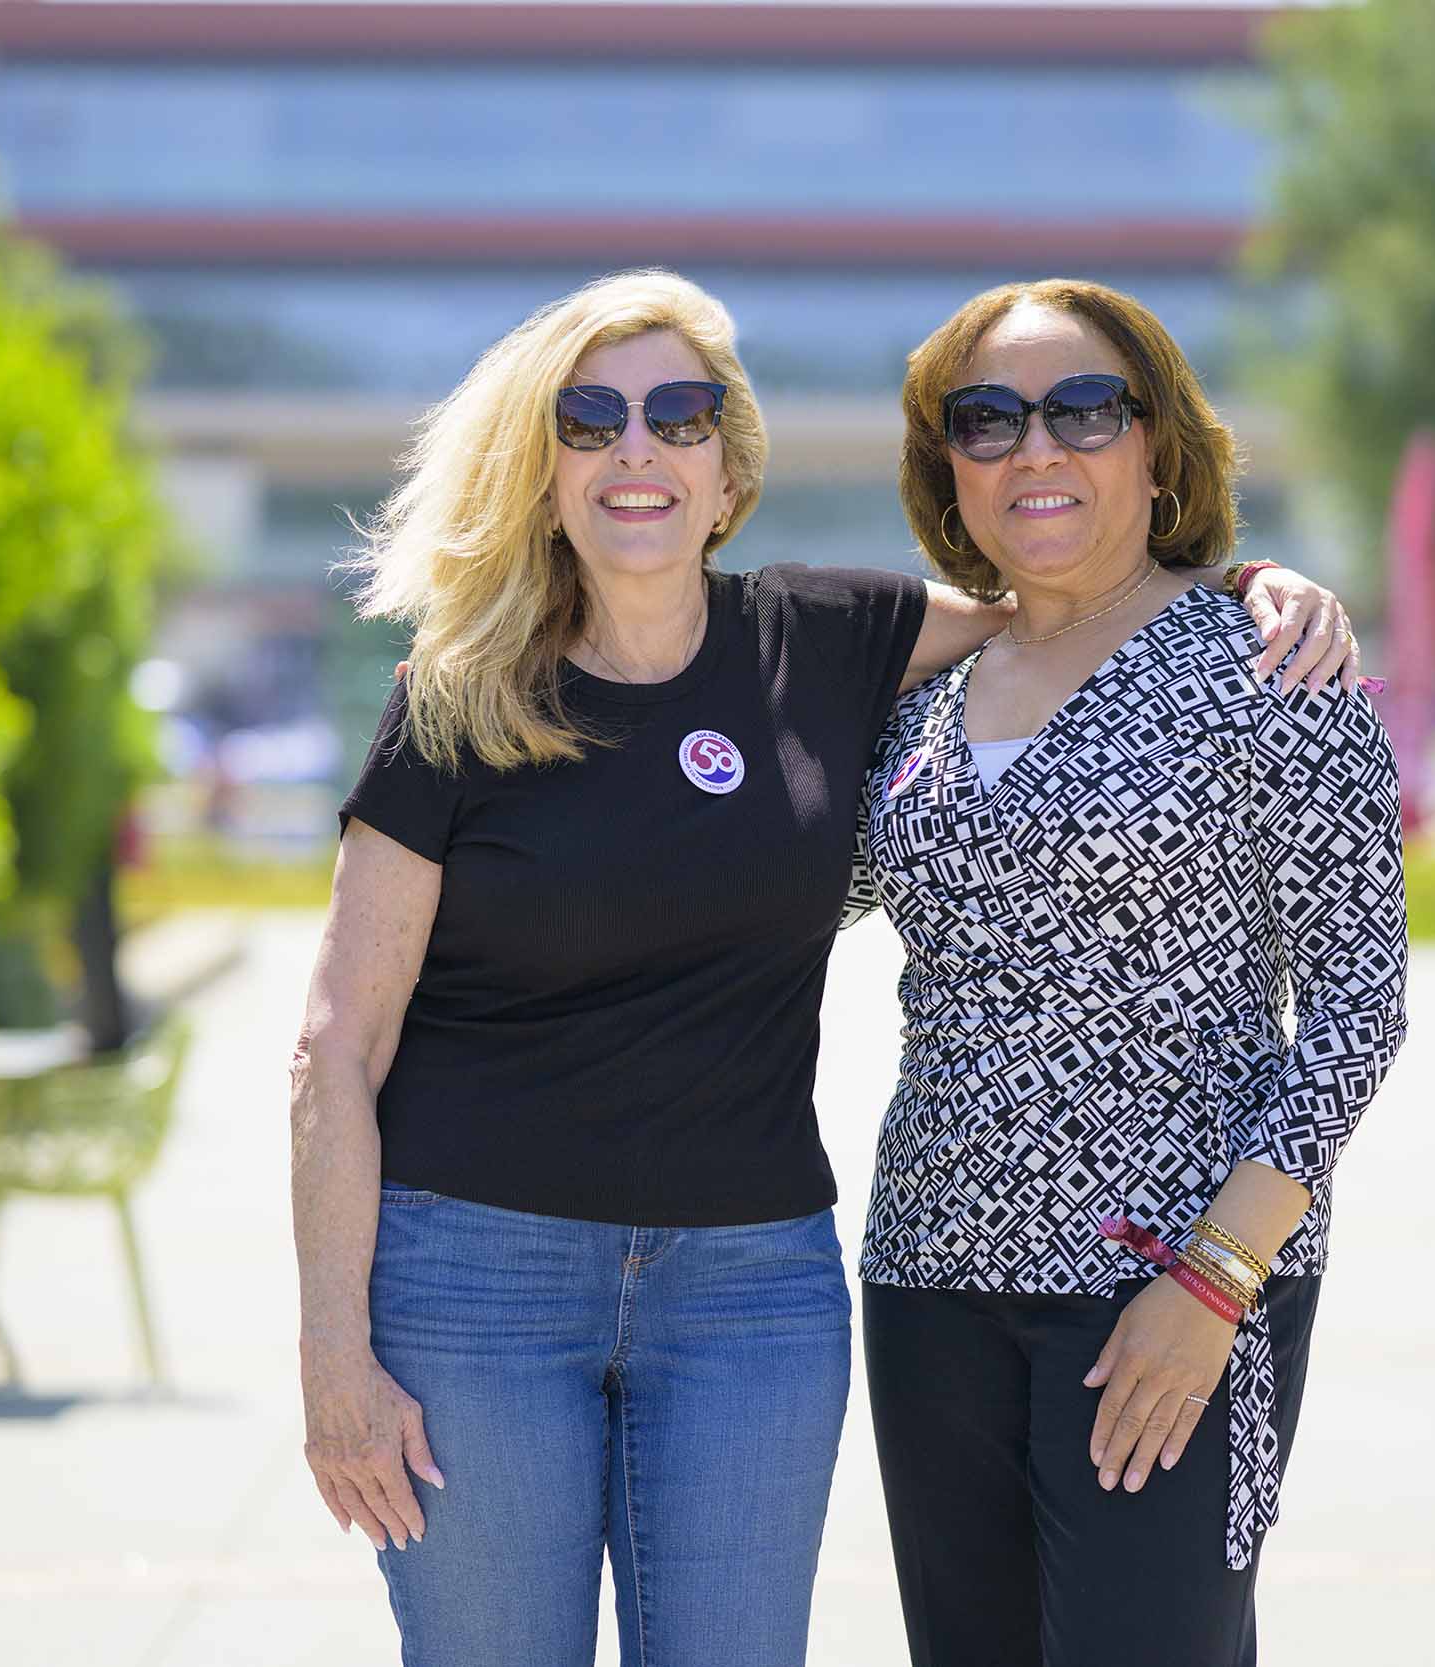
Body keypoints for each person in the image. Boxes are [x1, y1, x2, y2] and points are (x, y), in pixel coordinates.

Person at [286, 269, 1361, 1667]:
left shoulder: (838, 641)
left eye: (681, 414)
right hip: (502, 1282)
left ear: (731, 465)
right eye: (591, 417)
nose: (639, 450)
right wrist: (330, 1358)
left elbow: (1074, 597)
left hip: (762, 1293)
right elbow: (335, 1049)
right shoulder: (457, 697)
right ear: (535, 462)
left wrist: (1243, 580)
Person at [852, 279, 1410, 1667]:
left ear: (1156, 449)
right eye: (986, 422)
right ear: (949, 471)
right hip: (929, 1277)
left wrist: (1218, 1281)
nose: (1036, 449)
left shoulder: (1270, 666)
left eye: (1084, 409)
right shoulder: (918, 696)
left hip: (1167, 1282)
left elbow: (1358, 1008)